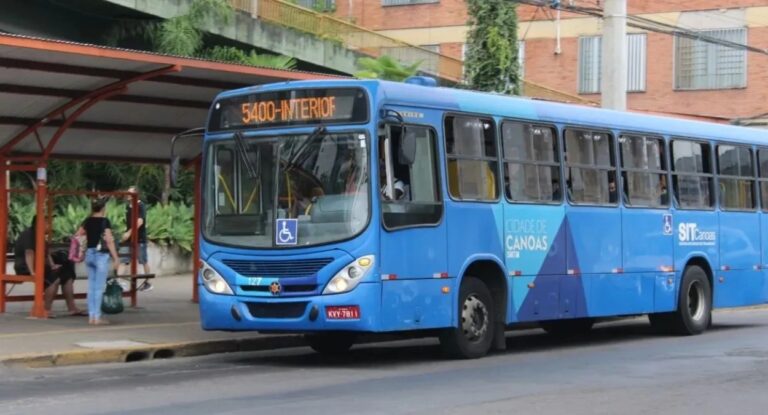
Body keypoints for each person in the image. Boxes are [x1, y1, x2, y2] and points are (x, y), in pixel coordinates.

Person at [14, 216, 84, 318]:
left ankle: (72, 308)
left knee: (67, 275)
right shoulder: (29, 234)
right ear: (39, 224)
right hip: (26, 267)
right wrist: (32, 272)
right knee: (54, 277)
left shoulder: (41, 235)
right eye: (47, 223)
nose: (49, 226)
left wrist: (52, 265)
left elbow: (46, 254)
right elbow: (29, 253)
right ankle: (46, 309)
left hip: (40, 265)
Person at [76, 197, 120, 325]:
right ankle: (97, 317)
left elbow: (78, 235)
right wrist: (116, 258)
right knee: (99, 288)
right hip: (101, 256)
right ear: (103, 208)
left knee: (91, 287)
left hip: (89, 254)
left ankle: (91, 316)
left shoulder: (87, 221)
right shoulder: (105, 221)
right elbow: (109, 240)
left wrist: (82, 249)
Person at [119, 186, 152, 292]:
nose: (128, 194)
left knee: (143, 260)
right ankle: (118, 282)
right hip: (129, 239)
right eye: (128, 192)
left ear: (136, 194)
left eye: (130, 193)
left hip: (139, 238)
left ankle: (147, 282)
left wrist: (129, 233)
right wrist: (126, 234)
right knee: (123, 260)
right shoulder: (128, 206)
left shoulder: (141, 206)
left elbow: (140, 221)